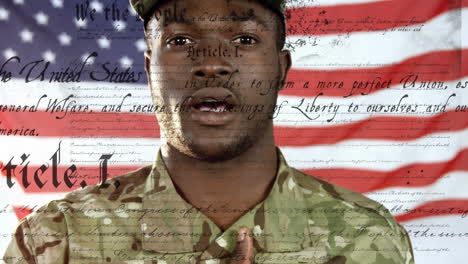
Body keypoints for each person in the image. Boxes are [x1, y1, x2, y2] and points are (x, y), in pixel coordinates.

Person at [3, 0, 415, 263]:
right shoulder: (56, 242)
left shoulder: (369, 239)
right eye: (181, 39)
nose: (212, 63)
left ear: (281, 69)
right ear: (149, 71)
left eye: (244, 38)